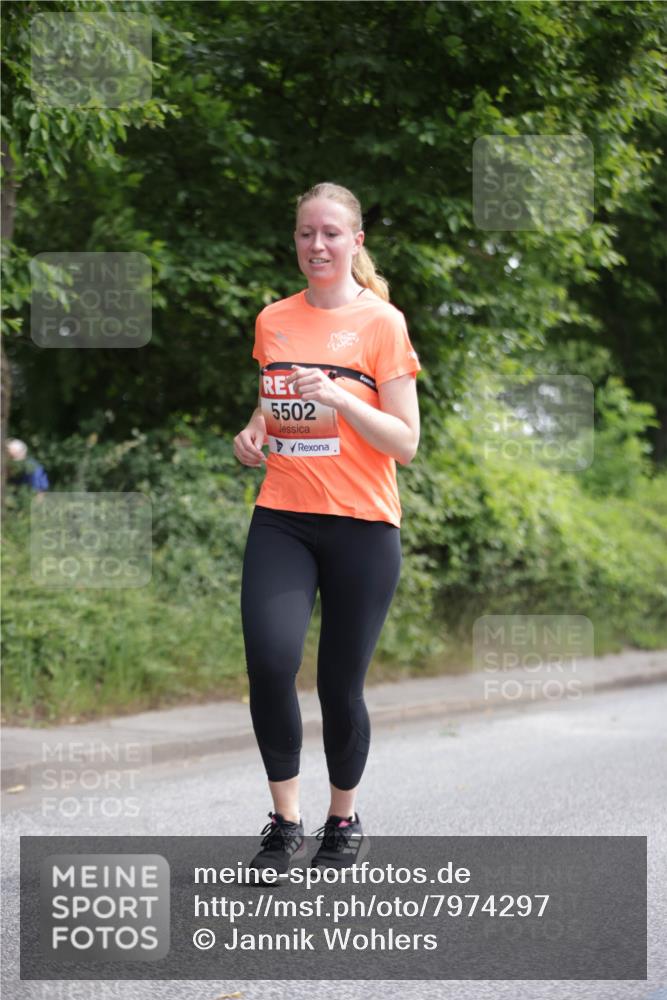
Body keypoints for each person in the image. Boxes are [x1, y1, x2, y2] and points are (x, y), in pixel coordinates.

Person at [233, 181, 421, 877]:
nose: (317, 245)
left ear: (355, 242)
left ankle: (342, 819)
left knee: (339, 687)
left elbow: (404, 442)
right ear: (296, 241)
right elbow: (270, 409)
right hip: (283, 516)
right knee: (271, 661)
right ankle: (285, 825)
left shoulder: (382, 324)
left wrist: (340, 394)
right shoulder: (273, 320)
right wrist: (250, 436)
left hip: (363, 526)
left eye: (331, 234)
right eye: (306, 233)